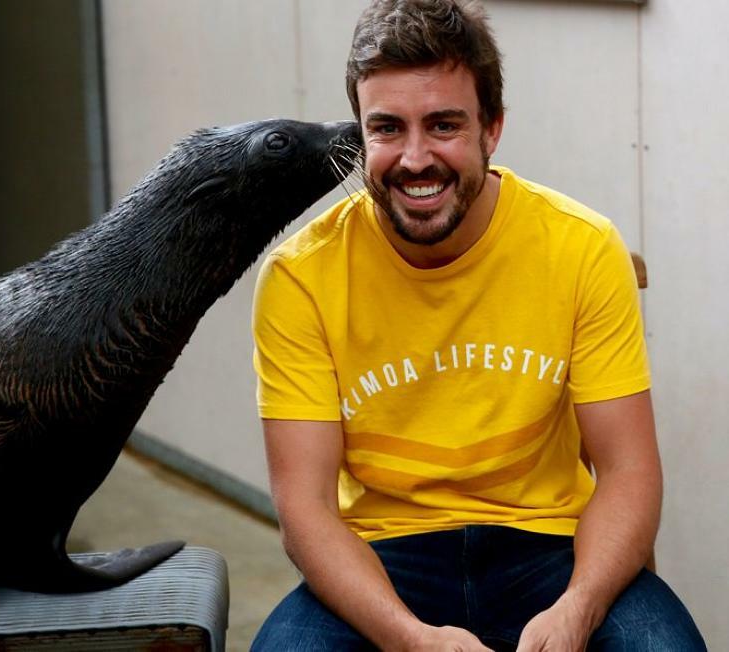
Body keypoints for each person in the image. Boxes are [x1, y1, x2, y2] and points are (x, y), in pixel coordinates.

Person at [250, 1, 705, 650]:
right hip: (384, 558)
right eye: (386, 128)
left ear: (492, 128)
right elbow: (306, 511)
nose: (413, 159)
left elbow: (630, 473)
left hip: (551, 549)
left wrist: (579, 608)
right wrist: (409, 638)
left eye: (443, 125)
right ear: (360, 132)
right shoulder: (300, 276)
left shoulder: (580, 247)